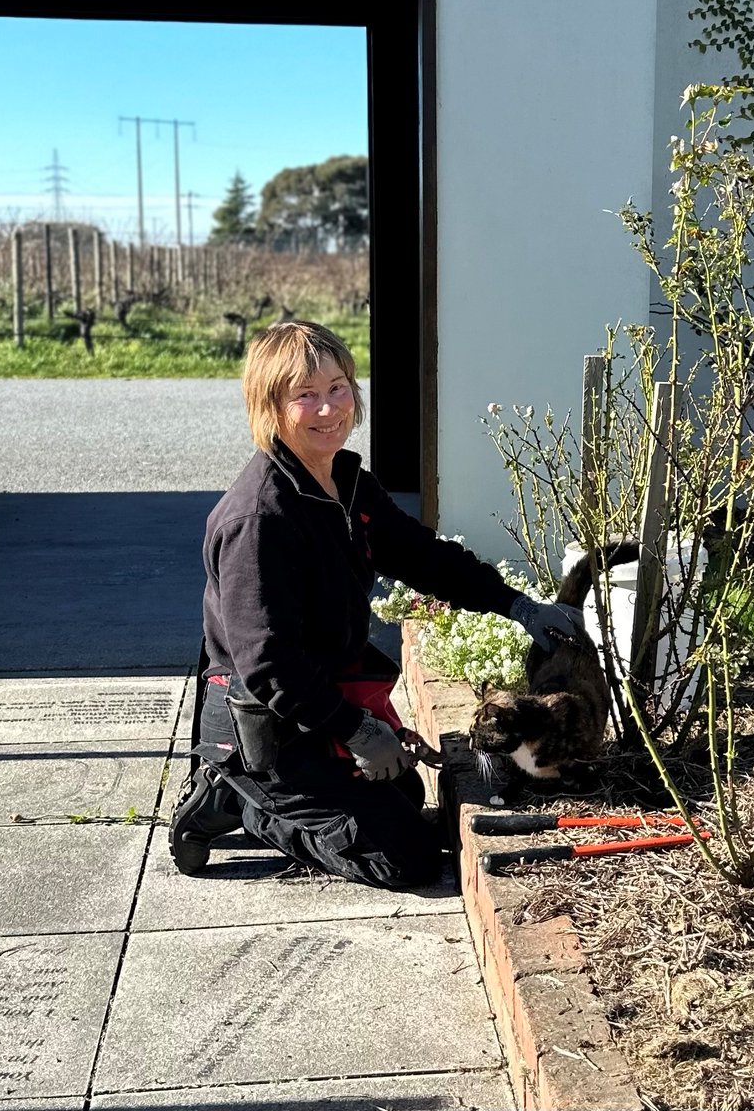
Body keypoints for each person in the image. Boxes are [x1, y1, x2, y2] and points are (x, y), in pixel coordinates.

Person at [168, 320, 585, 890]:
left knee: (406, 793)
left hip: (320, 697)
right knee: (403, 857)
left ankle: (278, 794)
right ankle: (237, 797)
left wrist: (519, 605)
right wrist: (359, 733)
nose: (327, 408)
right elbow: (268, 664)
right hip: (267, 722)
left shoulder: (344, 482)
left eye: (338, 387)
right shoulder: (259, 520)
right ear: (270, 406)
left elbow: (422, 556)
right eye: (304, 395)